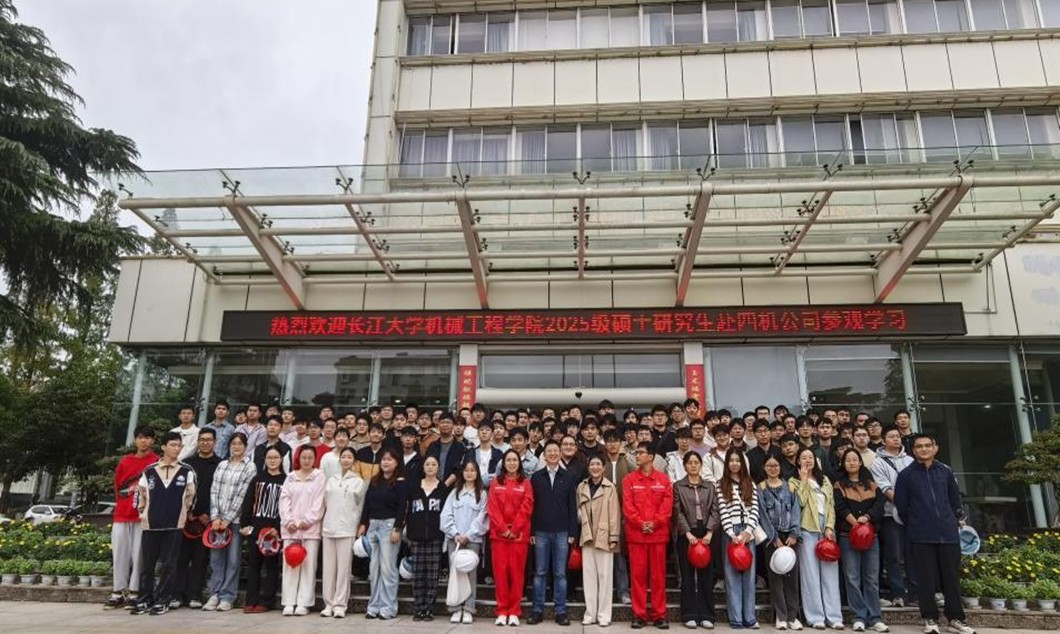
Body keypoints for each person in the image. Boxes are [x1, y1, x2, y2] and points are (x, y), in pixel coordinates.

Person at [894, 435, 976, 634]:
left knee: (951, 579)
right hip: (921, 535)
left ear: (935, 448)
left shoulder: (945, 471)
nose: (923, 449)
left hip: (948, 533)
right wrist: (917, 522)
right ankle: (929, 618)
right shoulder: (906, 475)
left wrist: (956, 518)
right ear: (913, 450)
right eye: (919, 446)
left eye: (927, 445)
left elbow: (955, 500)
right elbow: (902, 507)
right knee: (926, 580)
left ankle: (955, 618)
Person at [131, 432, 197, 616]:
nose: (176, 448)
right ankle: (145, 598)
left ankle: (163, 599)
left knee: (169, 565)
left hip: (174, 525)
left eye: (179, 445)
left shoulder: (187, 471)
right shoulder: (149, 470)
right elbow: (139, 494)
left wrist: (182, 513)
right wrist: (143, 513)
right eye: (173, 445)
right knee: (147, 565)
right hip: (151, 524)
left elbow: (191, 496)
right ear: (163, 447)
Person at [834, 448, 888, 633]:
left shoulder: (871, 485)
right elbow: (839, 507)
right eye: (847, 460)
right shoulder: (839, 485)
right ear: (843, 464)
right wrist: (855, 523)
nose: (851, 462)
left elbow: (880, 504)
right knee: (852, 577)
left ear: (860, 462)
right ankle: (858, 616)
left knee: (871, 578)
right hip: (847, 536)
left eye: (854, 459)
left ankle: (875, 617)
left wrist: (867, 517)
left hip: (871, 536)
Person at [201, 432, 255, 612]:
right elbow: (214, 491)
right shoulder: (222, 465)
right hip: (217, 521)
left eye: (240, 444)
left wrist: (227, 519)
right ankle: (214, 594)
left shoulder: (250, 467)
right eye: (234, 443)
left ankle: (227, 596)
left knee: (233, 559)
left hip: (235, 521)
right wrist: (215, 517)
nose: (236, 447)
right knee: (216, 559)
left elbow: (243, 495)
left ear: (245, 446)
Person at [106, 426, 158, 609]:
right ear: (135, 440)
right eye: (140, 437)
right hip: (122, 514)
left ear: (153, 441)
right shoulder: (125, 461)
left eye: (147, 438)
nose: (143, 441)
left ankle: (135, 591)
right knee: (119, 553)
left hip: (142, 516)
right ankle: (118, 591)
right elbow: (117, 487)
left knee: (139, 555)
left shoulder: (156, 462)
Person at [528, 439, 579, 626]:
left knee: (560, 574)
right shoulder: (536, 477)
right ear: (544, 454)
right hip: (540, 532)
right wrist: (532, 531)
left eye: (555, 451)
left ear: (560, 453)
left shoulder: (568, 476)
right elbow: (531, 507)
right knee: (540, 572)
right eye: (549, 451)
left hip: (562, 532)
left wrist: (573, 532)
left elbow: (572, 507)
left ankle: (560, 611)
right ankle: (537, 610)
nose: (552, 454)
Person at [792, 447, 843, 630]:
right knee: (810, 575)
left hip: (826, 529)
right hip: (807, 528)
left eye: (810, 457)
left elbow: (831, 505)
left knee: (830, 574)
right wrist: (804, 480)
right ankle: (815, 617)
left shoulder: (825, 480)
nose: (807, 460)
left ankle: (834, 616)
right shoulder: (794, 481)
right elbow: (800, 502)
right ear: (798, 461)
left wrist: (829, 526)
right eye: (803, 458)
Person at [623, 441, 673, 630]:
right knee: (638, 577)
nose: (637, 455)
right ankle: (639, 615)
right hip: (637, 536)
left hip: (657, 536)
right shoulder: (629, 480)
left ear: (651, 457)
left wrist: (655, 523)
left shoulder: (663, 480)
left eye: (641, 452)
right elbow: (628, 506)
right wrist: (641, 523)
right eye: (636, 453)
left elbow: (667, 507)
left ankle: (659, 615)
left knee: (658, 577)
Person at [673, 451, 721, 630]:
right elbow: (677, 512)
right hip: (687, 533)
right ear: (685, 466)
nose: (693, 465)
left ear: (701, 465)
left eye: (696, 462)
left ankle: (707, 615)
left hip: (706, 531)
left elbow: (715, 510)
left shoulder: (710, 486)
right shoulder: (678, 486)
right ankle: (689, 614)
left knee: (706, 575)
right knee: (687, 575)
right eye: (690, 462)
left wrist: (710, 532)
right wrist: (687, 533)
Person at [359, 447, 408, 620]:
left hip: (389, 526)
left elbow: (402, 507)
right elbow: (367, 504)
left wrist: (397, 528)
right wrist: (363, 523)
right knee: (374, 569)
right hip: (373, 526)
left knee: (388, 569)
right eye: (383, 459)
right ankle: (374, 606)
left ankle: (388, 608)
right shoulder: (375, 481)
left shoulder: (400, 482)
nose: (386, 462)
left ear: (396, 463)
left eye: (389, 459)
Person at [870, 425, 916, 608]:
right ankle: (898, 593)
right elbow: (884, 488)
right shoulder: (878, 462)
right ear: (883, 440)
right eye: (891, 436)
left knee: (913, 554)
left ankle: (915, 593)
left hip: (913, 515)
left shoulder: (910, 460)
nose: (896, 439)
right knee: (894, 556)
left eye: (898, 436)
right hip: (890, 514)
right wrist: (904, 505)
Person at [488, 449, 535, 626]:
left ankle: (514, 611)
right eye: (508, 460)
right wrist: (503, 528)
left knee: (516, 573)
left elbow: (527, 507)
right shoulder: (495, 482)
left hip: (518, 536)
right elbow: (492, 508)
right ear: (503, 463)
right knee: (500, 574)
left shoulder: (526, 483)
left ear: (519, 463)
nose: (512, 463)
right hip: (499, 536)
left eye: (515, 460)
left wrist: (514, 529)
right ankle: (502, 611)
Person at [279, 445, 327, 616]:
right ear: (298, 458)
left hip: (310, 529)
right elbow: (284, 500)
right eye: (304, 457)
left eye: (310, 458)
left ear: (315, 459)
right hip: (291, 528)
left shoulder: (319, 477)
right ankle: (288, 602)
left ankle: (304, 602)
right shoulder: (290, 477)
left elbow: (319, 502)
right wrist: (289, 521)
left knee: (308, 565)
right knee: (290, 564)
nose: (306, 461)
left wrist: (308, 520)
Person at [175, 427, 220, 609]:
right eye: (202, 440)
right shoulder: (187, 464)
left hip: (207, 518)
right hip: (186, 517)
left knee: (200, 559)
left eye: (209, 440)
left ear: (215, 442)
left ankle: (195, 595)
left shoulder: (220, 464)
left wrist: (208, 514)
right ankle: (177, 595)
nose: (205, 443)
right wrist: (187, 512)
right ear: (198, 442)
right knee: (181, 557)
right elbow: (180, 490)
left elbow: (219, 492)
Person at [321, 446, 367, 618]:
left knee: (343, 570)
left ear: (354, 461)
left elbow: (360, 507)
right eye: (343, 457)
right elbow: (325, 503)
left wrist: (358, 526)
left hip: (347, 529)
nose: (346, 460)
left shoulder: (358, 482)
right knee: (328, 570)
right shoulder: (331, 480)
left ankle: (340, 604)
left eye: (349, 457)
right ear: (339, 460)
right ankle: (328, 603)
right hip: (328, 528)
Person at [441, 460, 490, 623]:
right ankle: (455, 608)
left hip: (473, 539)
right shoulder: (454, 493)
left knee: (470, 574)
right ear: (462, 473)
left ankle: (468, 608)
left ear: (477, 473)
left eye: (473, 470)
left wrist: (468, 535)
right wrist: (455, 533)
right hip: (454, 540)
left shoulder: (482, 494)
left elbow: (483, 518)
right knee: (455, 573)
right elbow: (446, 515)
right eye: (466, 470)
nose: (469, 473)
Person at [239, 445, 286, 613]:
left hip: (274, 531)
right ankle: (250, 600)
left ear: (281, 459)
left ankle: (266, 602)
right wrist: (245, 524)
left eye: (276, 457)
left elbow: (286, 507)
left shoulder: (286, 480)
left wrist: (278, 528)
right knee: (254, 565)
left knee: (271, 566)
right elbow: (248, 502)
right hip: (256, 529)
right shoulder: (257, 479)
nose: (272, 461)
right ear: (264, 460)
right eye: (269, 458)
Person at [717, 448, 760, 630]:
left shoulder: (750, 483)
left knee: (749, 576)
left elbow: (755, 508)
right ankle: (735, 618)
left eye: (738, 460)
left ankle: (749, 617)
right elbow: (722, 510)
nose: (735, 464)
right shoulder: (721, 485)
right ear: (727, 464)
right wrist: (732, 534)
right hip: (731, 533)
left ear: (742, 463)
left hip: (748, 532)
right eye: (731, 460)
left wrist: (748, 531)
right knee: (731, 575)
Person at [759, 455, 803, 631]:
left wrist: (794, 533)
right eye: (769, 466)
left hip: (790, 537)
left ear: (780, 467)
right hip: (772, 539)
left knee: (792, 577)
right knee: (775, 577)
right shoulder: (761, 488)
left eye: (776, 465)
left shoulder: (790, 487)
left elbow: (796, 511)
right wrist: (773, 537)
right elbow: (762, 515)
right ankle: (781, 616)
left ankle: (793, 616)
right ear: (764, 468)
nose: (773, 469)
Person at [576, 455, 620, 627]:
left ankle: (604, 615)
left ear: (603, 467)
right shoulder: (582, 486)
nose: (595, 467)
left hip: (604, 536)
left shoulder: (610, 487)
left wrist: (614, 537)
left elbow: (614, 513)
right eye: (592, 464)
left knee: (605, 577)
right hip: (587, 535)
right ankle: (590, 613)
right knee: (588, 577)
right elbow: (578, 510)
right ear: (588, 467)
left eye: (598, 464)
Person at [408, 455, 449, 621]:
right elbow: (408, 512)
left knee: (432, 575)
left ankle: (428, 609)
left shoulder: (443, 489)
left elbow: (446, 514)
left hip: (435, 537)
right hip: (416, 537)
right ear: (423, 467)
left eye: (433, 464)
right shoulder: (414, 487)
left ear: (438, 467)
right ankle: (419, 608)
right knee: (418, 574)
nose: (430, 467)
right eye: (427, 464)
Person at [426, 412, 468, 489]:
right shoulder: (432, 446)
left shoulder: (460, 446)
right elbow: (427, 465)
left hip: (453, 487)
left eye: (448, 422)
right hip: (433, 486)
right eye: (442, 422)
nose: (445, 425)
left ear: (453, 425)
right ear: (438, 425)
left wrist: (445, 485)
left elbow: (459, 468)